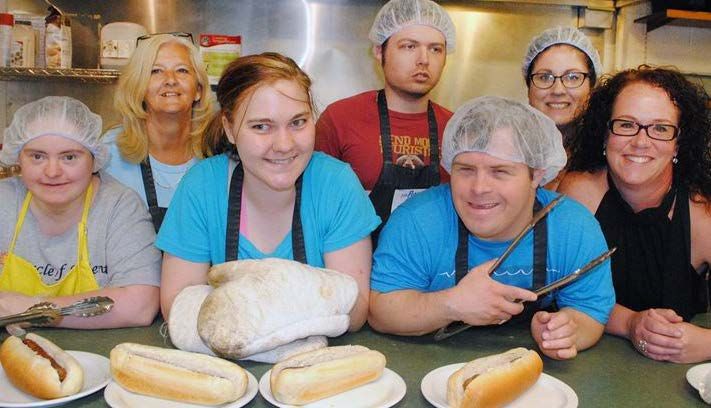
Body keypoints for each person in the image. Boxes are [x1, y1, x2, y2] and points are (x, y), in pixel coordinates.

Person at [369, 96, 615, 360]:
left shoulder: (573, 227)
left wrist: (564, 331)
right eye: (465, 170)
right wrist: (452, 304)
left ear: (537, 175)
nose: (479, 188)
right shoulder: (417, 221)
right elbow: (381, 310)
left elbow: (589, 310)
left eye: (500, 171)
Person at [156, 53, 380, 331]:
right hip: (222, 352)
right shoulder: (201, 187)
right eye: (262, 127)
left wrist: (258, 317)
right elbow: (179, 307)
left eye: (298, 122)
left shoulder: (336, 184)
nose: (284, 145)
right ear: (229, 129)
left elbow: (354, 311)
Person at [559, 66, 711, 363]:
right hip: (587, 365)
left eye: (661, 129)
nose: (641, 142)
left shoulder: (702, 213)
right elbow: (564, 290)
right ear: (605, 134)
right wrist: (630, 323)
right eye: (626, 125)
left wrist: (707, 343)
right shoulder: (579, 193)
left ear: (678, 144)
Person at [0, 96, 161, 328]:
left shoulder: (119, 207)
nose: (52, 172)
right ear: (18, 159)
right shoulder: (4, 200)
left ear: (94, 160)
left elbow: (141, 305)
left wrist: (31, 310)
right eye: (37, 156)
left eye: (69, 157)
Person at [315, 0, 456, 235]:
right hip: (354, 253)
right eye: (409, 46)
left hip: (430, 255)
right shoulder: (340, 119)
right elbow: (313, 204)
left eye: (435, 49)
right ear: (379, 51)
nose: (424, 59)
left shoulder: (456, 128)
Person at [103, 33, 214, 232]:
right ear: (138, 87)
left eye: (182, 70)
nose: (170, 80)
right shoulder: (108, 155)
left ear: (198, 89)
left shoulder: (215, 150)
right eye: (156, 71)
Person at [522, 27, 602, 190]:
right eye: (544, 77)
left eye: (573, 77)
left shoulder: (608, 155)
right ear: (529, 88)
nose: (558, 90)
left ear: (592, 87)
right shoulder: (507, 149)